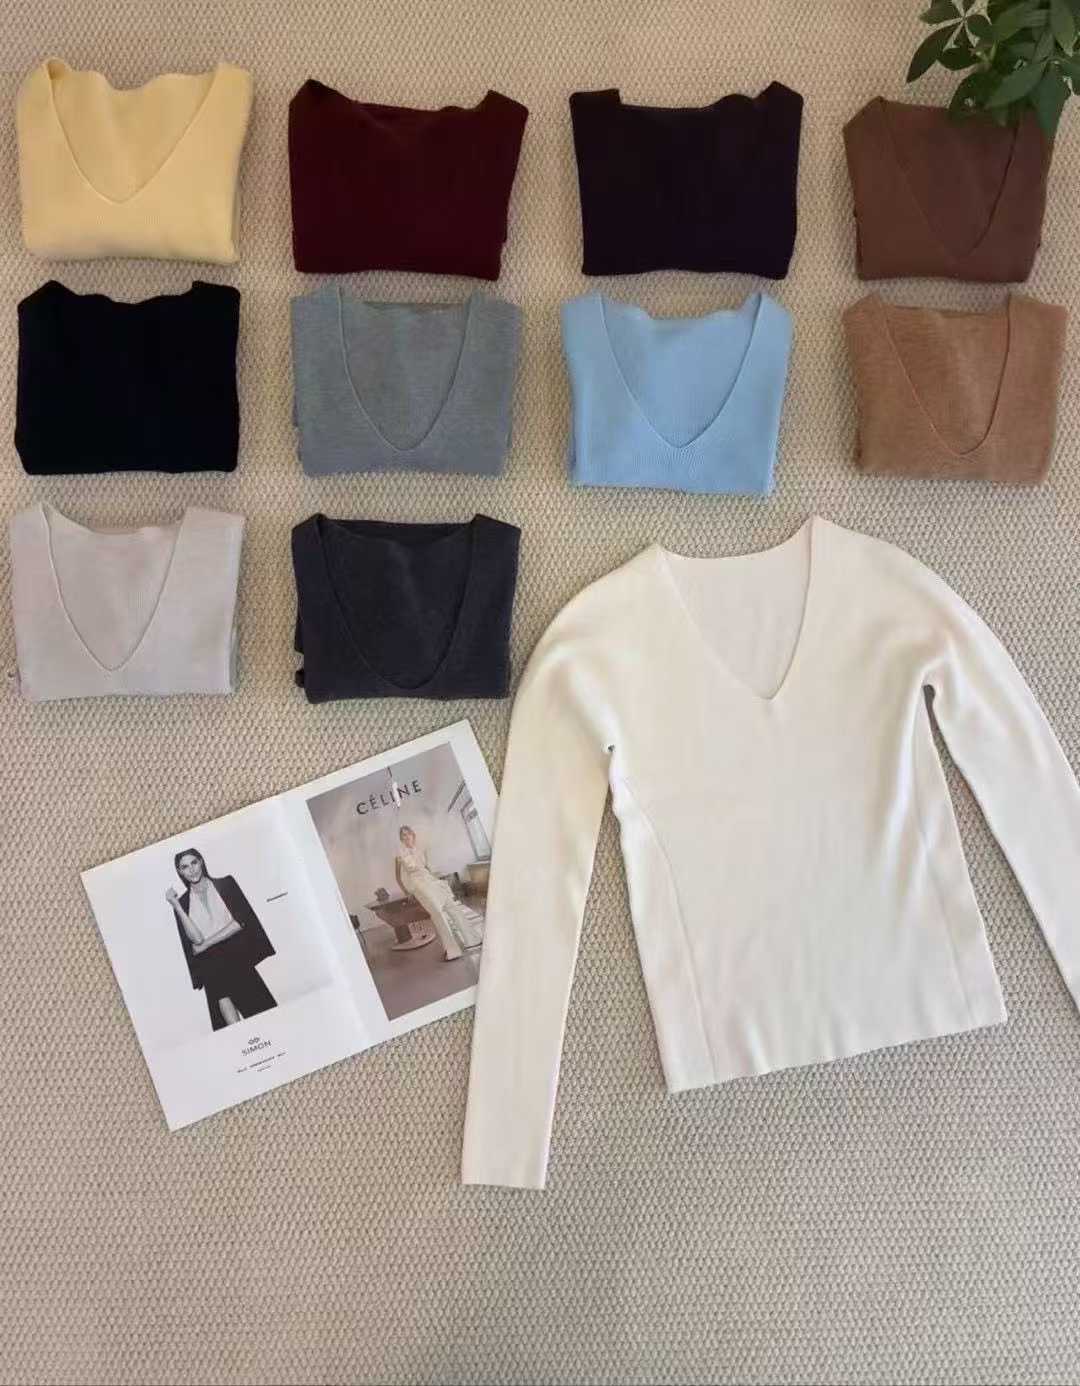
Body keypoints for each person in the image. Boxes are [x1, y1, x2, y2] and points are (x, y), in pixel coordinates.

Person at [165, 848, 278, 1032]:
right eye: (185, 867)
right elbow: (196, 940)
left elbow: (239, 922)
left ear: (201, 862)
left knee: (266, 1019)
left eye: (194, 863)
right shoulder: (183, 903)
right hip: (212, 966)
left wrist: (207, 944)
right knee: (231, 1029)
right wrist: (176, 905)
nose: (191, 870)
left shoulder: (226, 883)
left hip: (237, 958)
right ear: (180, 871)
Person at [394, 826, 468, 962]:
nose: (406, 837)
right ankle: (452, 951)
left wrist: (438, 880)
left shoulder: (421, 850)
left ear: (413, 835)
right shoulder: (399, 856)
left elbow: (427, 868)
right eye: (403, 835)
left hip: (430, 880)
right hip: (418, 885)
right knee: (437, 913)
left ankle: (472, 939)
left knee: (452, 907)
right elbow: (398, 878)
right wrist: (406, 892)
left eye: (408, 834)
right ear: (401, 839)